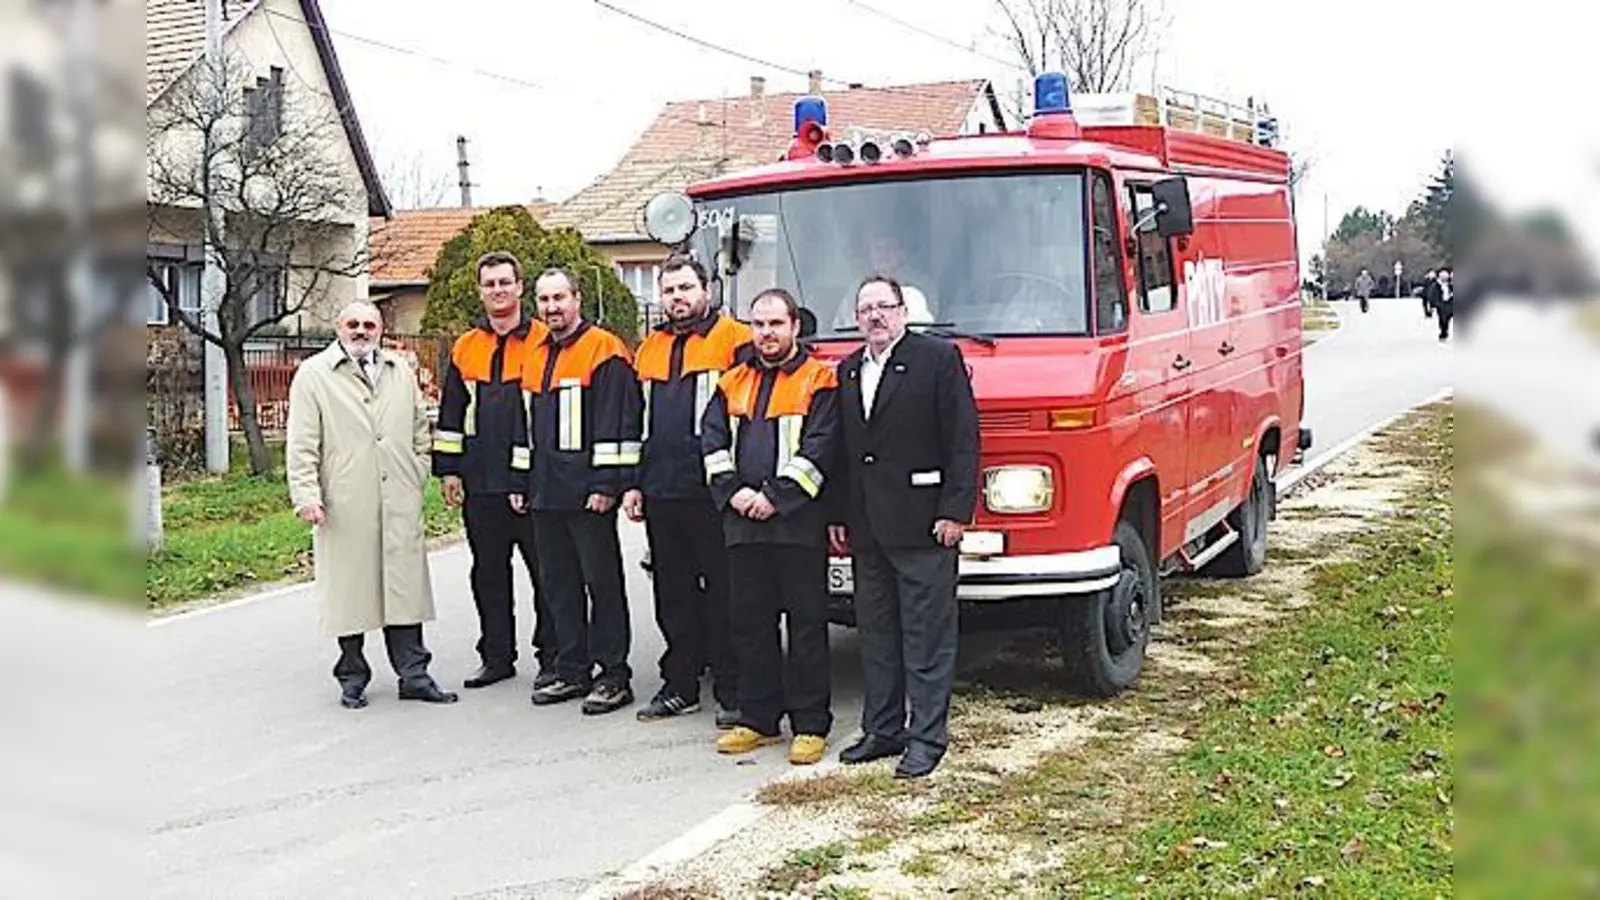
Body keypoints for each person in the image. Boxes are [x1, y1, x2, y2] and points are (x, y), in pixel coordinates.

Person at [830, 275, 978, 779]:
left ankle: (927, 738)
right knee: (877, 635)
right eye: (866, 308)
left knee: (926, 637)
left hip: (924, 525)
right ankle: (883, 729)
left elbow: (963, 438)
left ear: (903, 311)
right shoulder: (848, 371)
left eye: (885, 307)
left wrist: (956, 510)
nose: (875, 316)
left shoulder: (937, 360)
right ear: (856, 318)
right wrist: (839, 517)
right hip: (868, 528)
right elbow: (847, 454)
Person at [286, 301, 458, 709]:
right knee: (351, 589)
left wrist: (417, 470)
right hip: (346, 499)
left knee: (404, 587)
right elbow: (302, 442)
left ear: (380, 329)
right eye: (353, 324)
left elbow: (420, 427)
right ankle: (352, 677)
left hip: (398, 493)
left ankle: (413, 674)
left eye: (369, 324)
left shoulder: (400, 371)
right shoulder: (314, 375)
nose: (361, 331)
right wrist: (307, 495)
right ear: (338, 327)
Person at [700, 288, 841, 765]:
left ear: (795, 325)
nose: (766, 333)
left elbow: (821, 449)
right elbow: (712, 443)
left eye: (775, 324)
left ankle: (810, 724)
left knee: (806, 626)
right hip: (742, 524)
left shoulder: (820, 379)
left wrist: (775, 498)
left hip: (797, 526)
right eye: (758, 324)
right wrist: (735, 492)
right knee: (750, 626)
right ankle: (758, 718)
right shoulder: (731, 381)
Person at [622, 255, 751, 727]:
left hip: (716, 491)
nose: (677, 298)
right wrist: (635, 483)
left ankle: (733, 688)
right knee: (672, 592)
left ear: (707, 291)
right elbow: (639, 422)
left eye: (685, 289)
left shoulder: (737, 340)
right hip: (661, 488)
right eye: (669, 290)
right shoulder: (649, 348)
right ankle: (679, 683)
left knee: (726, 591)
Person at [511, 268, 642, 715]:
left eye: (559, 298)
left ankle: (613, 675)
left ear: (578, 299)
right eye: (544, 300)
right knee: (558, 585)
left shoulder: (604, 349)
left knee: (601, 584)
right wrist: (519, 482)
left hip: (588, 493)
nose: (552, 307)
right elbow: (522, 426)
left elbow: (617, 422)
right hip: (545, 492)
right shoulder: (534, 353)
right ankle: (571, 669)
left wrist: (608, 484)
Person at [433, 251, 554, 690]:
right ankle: (496, 656)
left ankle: (552, 656)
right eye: (490, 284)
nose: (498, 290)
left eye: (505, 282)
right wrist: (449, 470)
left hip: (532, 482)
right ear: (480, 291)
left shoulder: (544, 341)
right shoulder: (466, 346)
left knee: (546, 573)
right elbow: (451, 412)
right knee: (488, 572)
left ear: (520, 287)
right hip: (480, 481)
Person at [1427, 267, 1455, 341]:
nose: (1444, 279)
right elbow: (1432, 296)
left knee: (1448, 319)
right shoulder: (1436, 285)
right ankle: (1443, 333)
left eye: (1445, 277)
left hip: (1450, 304)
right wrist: (1432, 306)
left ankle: (1445, 332)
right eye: (1443, 277)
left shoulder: (1450, 285)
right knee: (1443, 320)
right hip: (1441, 305)